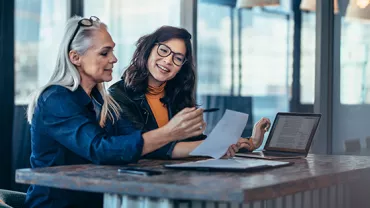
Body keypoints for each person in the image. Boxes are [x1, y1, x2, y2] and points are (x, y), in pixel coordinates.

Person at [25, 17, 239, 208]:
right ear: (75, 57)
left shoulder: (101, 100)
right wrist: (170, 132)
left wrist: (219, 146)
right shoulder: (56, 99)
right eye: (104, 53)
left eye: (112, 51)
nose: (114, 59)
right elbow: (101, 149)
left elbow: (140, 144)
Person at [108, 26, 271, 159]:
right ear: (148, 49)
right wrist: (214, 146)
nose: (168, 61)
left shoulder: (177, 94)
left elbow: (194, 143)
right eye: (163, 50)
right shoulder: (118, 94)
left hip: (178, 178)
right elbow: (144, 146)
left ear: (181, 67)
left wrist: (249, 142)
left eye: (178, 58)